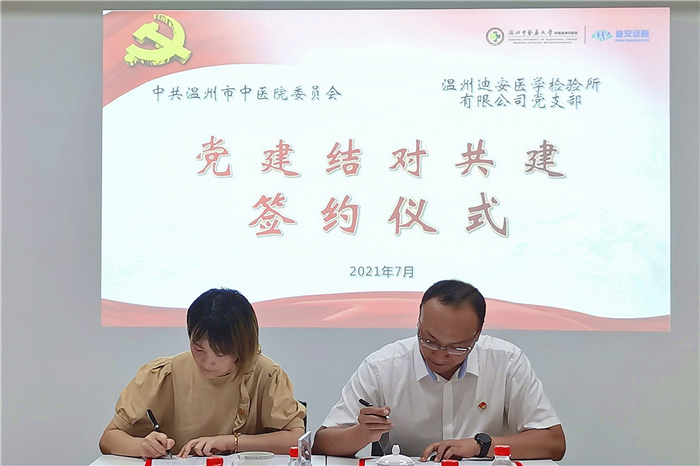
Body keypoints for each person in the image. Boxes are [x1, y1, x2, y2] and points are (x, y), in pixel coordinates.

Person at [313, 280, 565, 461]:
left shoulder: (506, 361)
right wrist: (361, 433)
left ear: (477, 334)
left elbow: (553, 443)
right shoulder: (383, 366)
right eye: (429, 341)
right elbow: (322, 444)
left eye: (457, 347)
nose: (440, 355)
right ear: (418, 322)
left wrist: (479, 446)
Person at [99, 288, 306, 459]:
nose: (207, 362)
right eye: (198, 349)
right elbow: (108, 439)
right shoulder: (164, 374)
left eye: (221, 353)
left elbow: (295, 439)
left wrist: (230, 442)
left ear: (244, 346)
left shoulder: (265, 374)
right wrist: (142, 446)